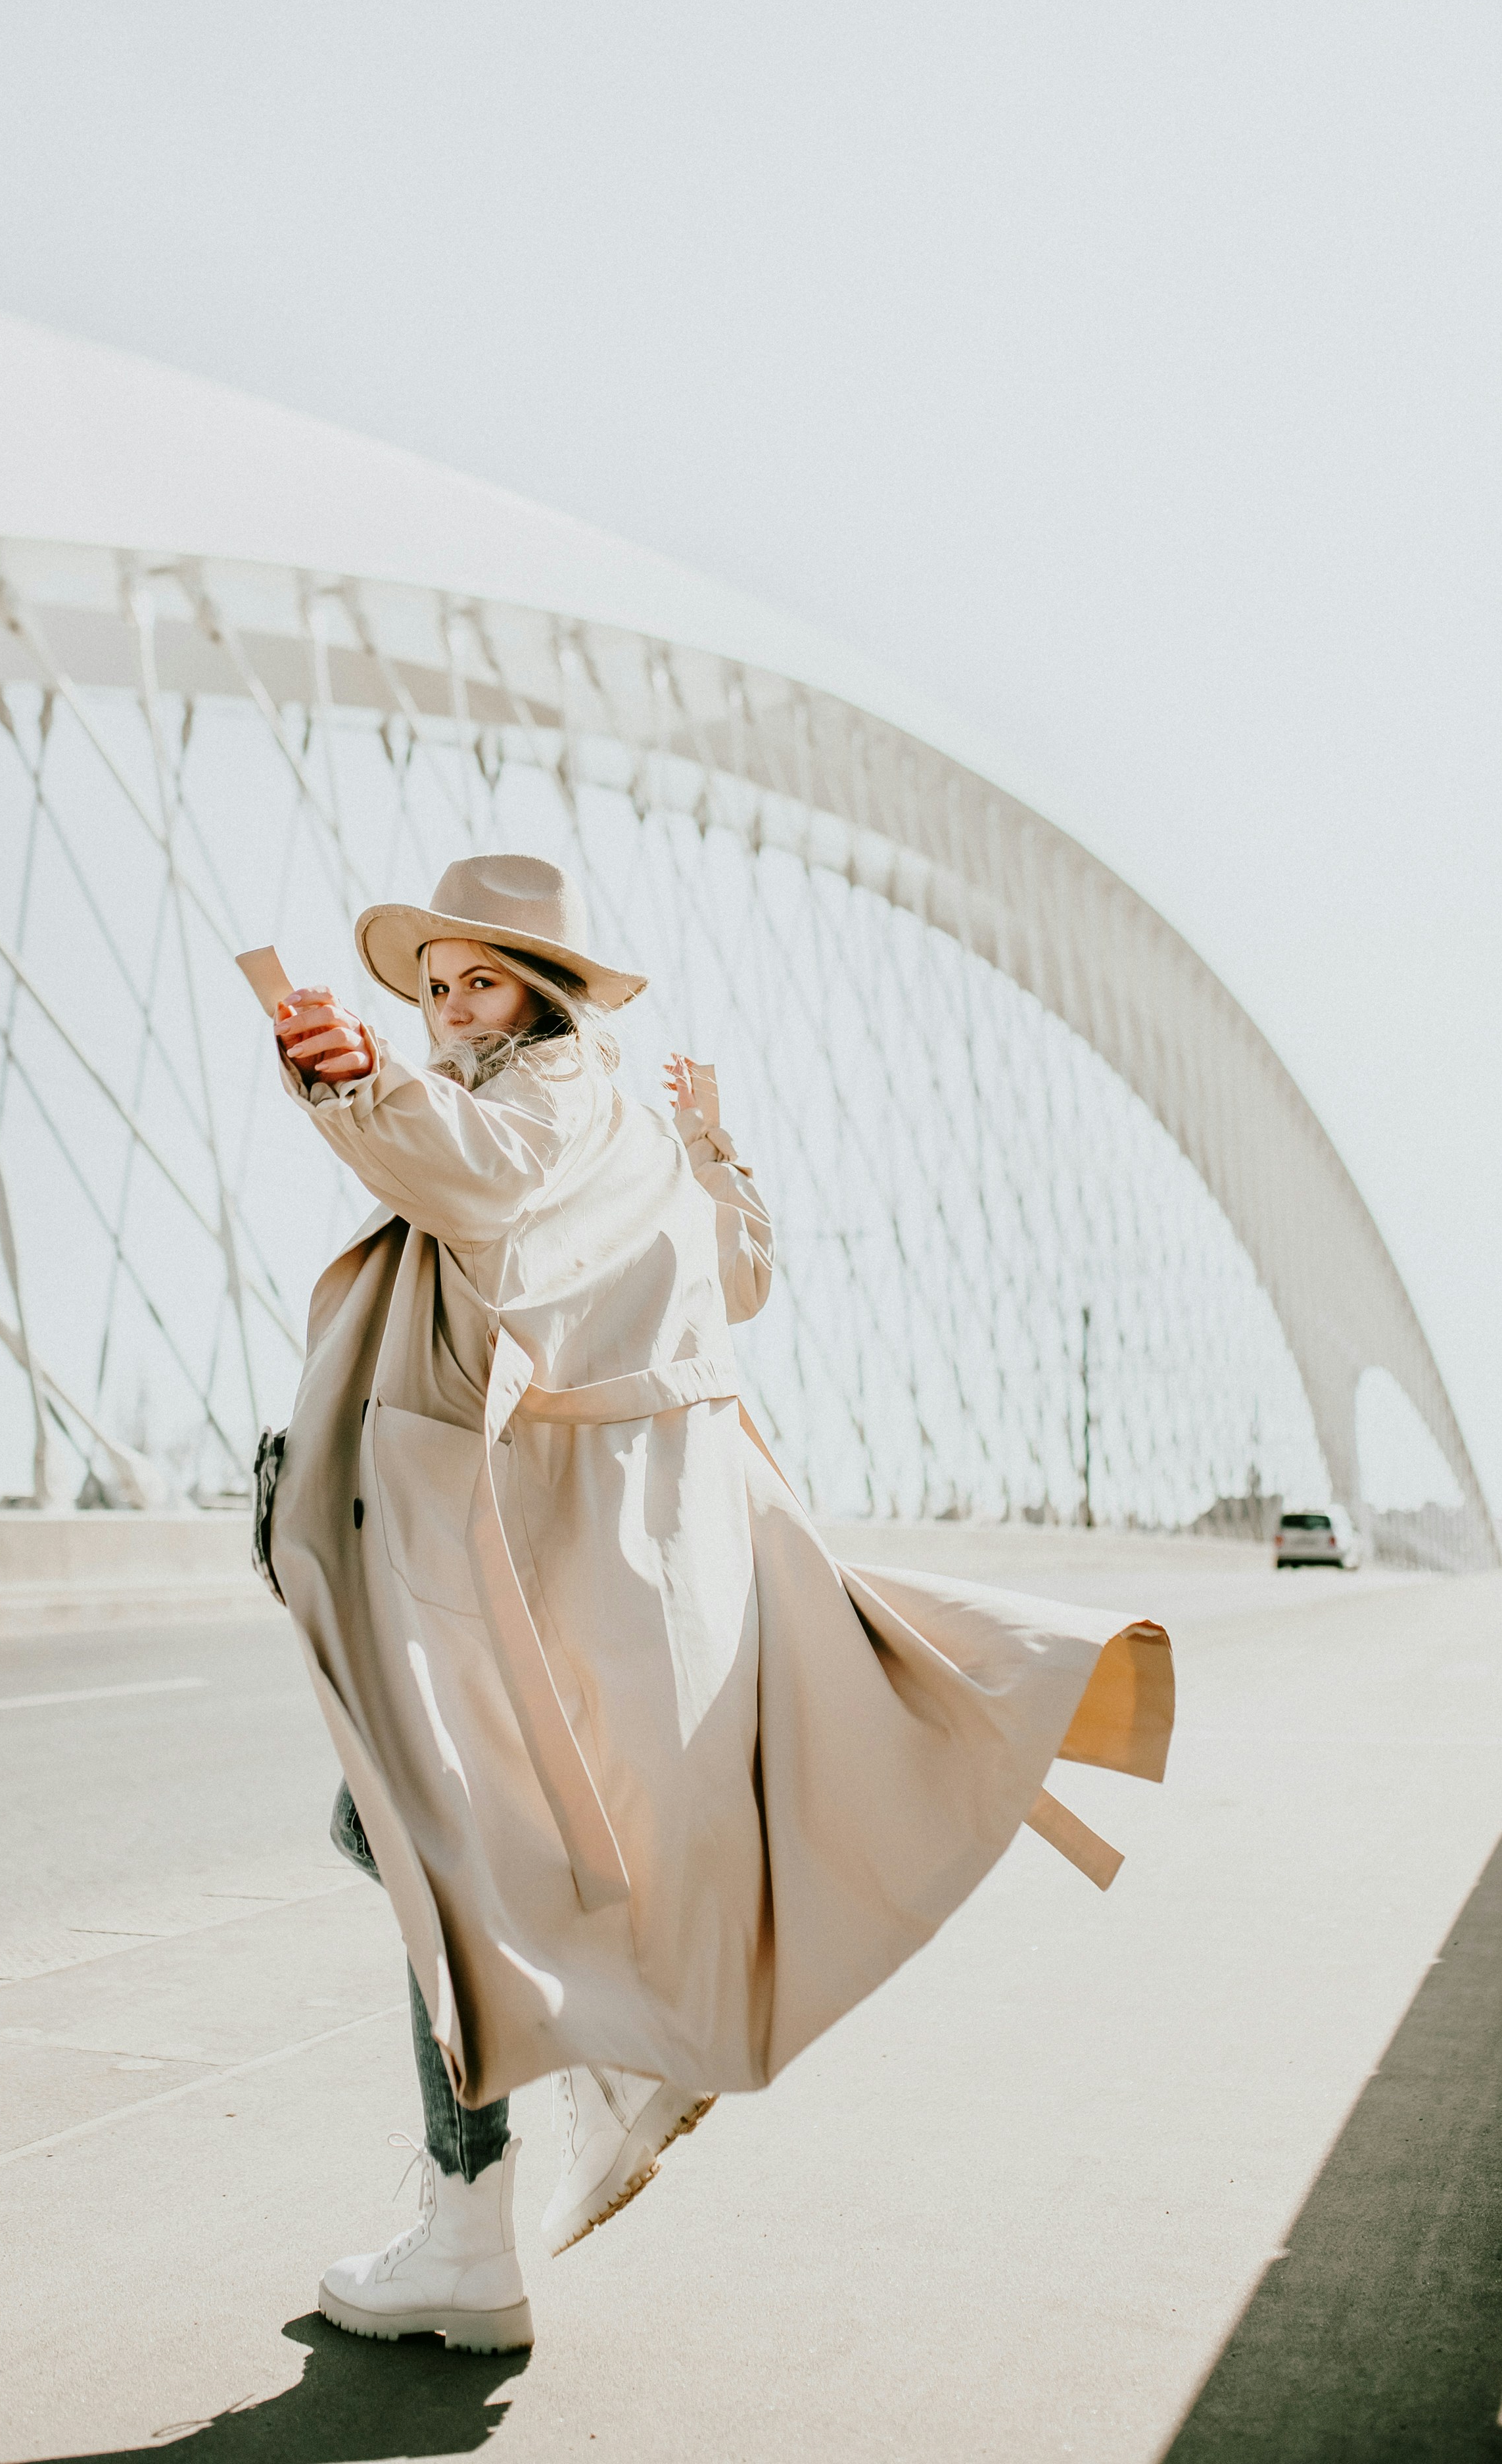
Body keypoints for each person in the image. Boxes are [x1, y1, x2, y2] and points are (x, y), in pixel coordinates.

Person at [265, 851, 1173, 2354]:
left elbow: (472, 1174)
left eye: (475, 980)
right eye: (428, 987)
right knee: (437, 1840)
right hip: (621, 1541)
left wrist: (355, 1084)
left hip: (535, 1543)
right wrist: (710, 1147)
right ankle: (535, 2102)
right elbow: (735, 1276)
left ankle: (478, 2210)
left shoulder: (537, 1099)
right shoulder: (617, 1130)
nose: (444, 1007)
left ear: (542, 995)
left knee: (431, 1848)